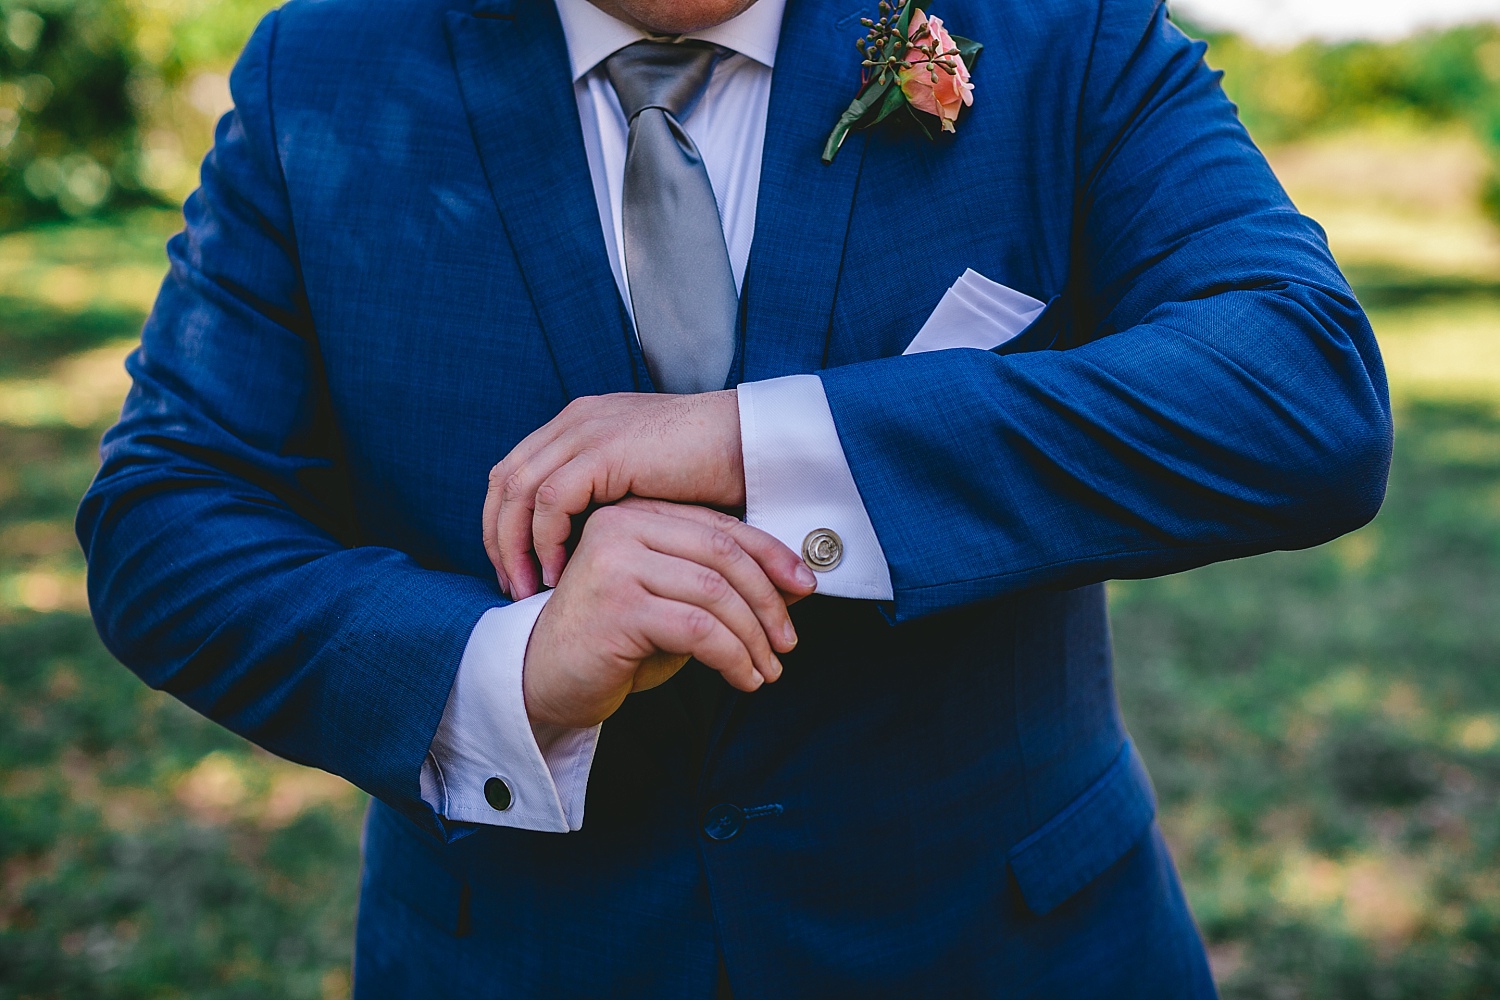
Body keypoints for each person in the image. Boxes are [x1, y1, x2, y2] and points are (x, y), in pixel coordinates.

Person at [76, 0, 1392, 992]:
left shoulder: (1062, 30)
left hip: (1005, 949)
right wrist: (511, 669)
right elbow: (171, 516)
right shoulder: (325, 66)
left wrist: (767, 448)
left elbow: (1300, 390)